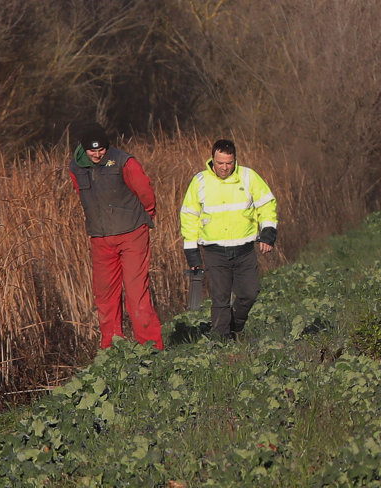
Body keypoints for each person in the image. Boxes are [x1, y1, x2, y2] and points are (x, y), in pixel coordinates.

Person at [67, 124, 164, 351]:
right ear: (83, 149)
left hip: (132, 233)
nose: (98, 154)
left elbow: (144, 190)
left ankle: (150, 346)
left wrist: (148, 214)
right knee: (105, 295)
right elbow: (83, 195)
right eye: (92, 151)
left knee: (135, 293)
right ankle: (112, 348)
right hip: (100, 238)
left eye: (101, 148)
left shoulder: (124, 161)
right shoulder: (75, 167)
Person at [179, 139, 278, 340]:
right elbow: (189, 216)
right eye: (220, 163)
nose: (224, 168)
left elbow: (267, 205)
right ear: (212, 160)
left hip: (245, 250)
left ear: (235, 160)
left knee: (249, 294)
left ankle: (236, 327)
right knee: (220, 299)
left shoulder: (249, 177)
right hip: (215, 251)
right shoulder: (199, 182)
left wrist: (267, 233)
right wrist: (192, 252)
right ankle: (221, 342)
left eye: (229, 163)